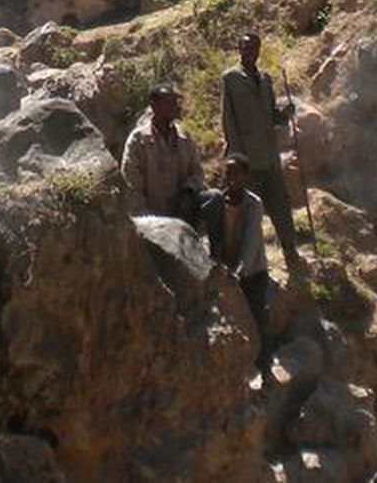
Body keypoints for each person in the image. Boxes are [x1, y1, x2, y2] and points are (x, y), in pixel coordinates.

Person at [219, 32, 304, 274]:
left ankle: (290, 250)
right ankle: (251, 262)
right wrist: (236, 159)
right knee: (249, 212)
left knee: (280, 205)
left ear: (258, 50)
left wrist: (284, 113)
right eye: (245, 48)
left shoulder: (266, 79)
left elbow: (271, 116)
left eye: (253, 48)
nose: (249, 52)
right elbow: (228, 119)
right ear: (238, 50)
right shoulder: (230, 78)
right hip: (246, 159)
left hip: (269, 156)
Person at [200, 153, 275, 369]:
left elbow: (252, 241)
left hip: (252, 272)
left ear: (245, 176)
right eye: (228, 173)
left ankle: (266, 371)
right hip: (228, 271)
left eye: (236, 174)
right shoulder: (217, 204)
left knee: (258, 319)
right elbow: (208, 235)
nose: (231, 178)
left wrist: (240, 270)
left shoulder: (254, 205)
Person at [121, 83, 205, 219]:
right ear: (154, 106)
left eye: (174, 102)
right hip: (153, 214)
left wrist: (189, 190)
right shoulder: (138, 140)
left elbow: (197, 172)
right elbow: (131, 184)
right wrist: (145, 216)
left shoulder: (184, 137)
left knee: (214, 198)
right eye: (168, 103)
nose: (173, 107)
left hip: (182, 209)